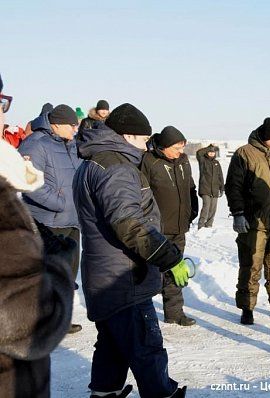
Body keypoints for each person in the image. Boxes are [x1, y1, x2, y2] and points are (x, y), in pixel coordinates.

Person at [74, 103, 188, 397]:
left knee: (112, 343)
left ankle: (104, 392)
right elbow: (128, 223)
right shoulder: (117, 168)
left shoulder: (94, 161)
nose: (145, 146)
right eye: (142, 139)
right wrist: (169, 258)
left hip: (105, 272)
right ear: (126, 136)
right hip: (125, 275)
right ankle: (162, 393)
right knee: (145, 344)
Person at [0, 73, 74, 398]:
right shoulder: (35, 144)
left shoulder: (70, 147)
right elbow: (25, 325)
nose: (4, 113)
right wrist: (54, 268)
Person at [18, 104, 83, 334]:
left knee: (67, 275)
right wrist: (62, 203)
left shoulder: (72, 144)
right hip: (49, 222)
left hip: (72, 221)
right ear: (56, 125)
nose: (76, 128)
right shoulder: (35, 145)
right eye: (72, 124)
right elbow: (29, 184)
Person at [225, 117, 270, 325]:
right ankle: (247, 308)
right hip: (254, 222)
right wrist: (238, 213)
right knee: (251, 265)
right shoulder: (245, 153)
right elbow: (233, 186)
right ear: (268, 137)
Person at [141, 126, 198, 326]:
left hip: (179, 225)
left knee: (177, 269)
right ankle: (143, 313)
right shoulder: (149, 161)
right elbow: (142, 193)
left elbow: (190, 186)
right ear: (164, 147)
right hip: (157, 228)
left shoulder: (183, 161)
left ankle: (174, 312)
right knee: (150, 272)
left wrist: (193, 209)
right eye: (176, 147)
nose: (180, 151)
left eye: (182, 147)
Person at [196, 144, 224, 229]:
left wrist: (222, 188)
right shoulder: (203, 161)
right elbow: (199, 153)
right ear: (207, 152)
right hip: (205, 188)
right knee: (206, 206)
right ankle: (201, 225)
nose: (212, 153)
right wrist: (208, 148)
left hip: (215, 189)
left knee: (213, 208)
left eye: (213, 152)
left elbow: (220, 176)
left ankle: (209, 225)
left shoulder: (216, 163)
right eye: (210, 152)